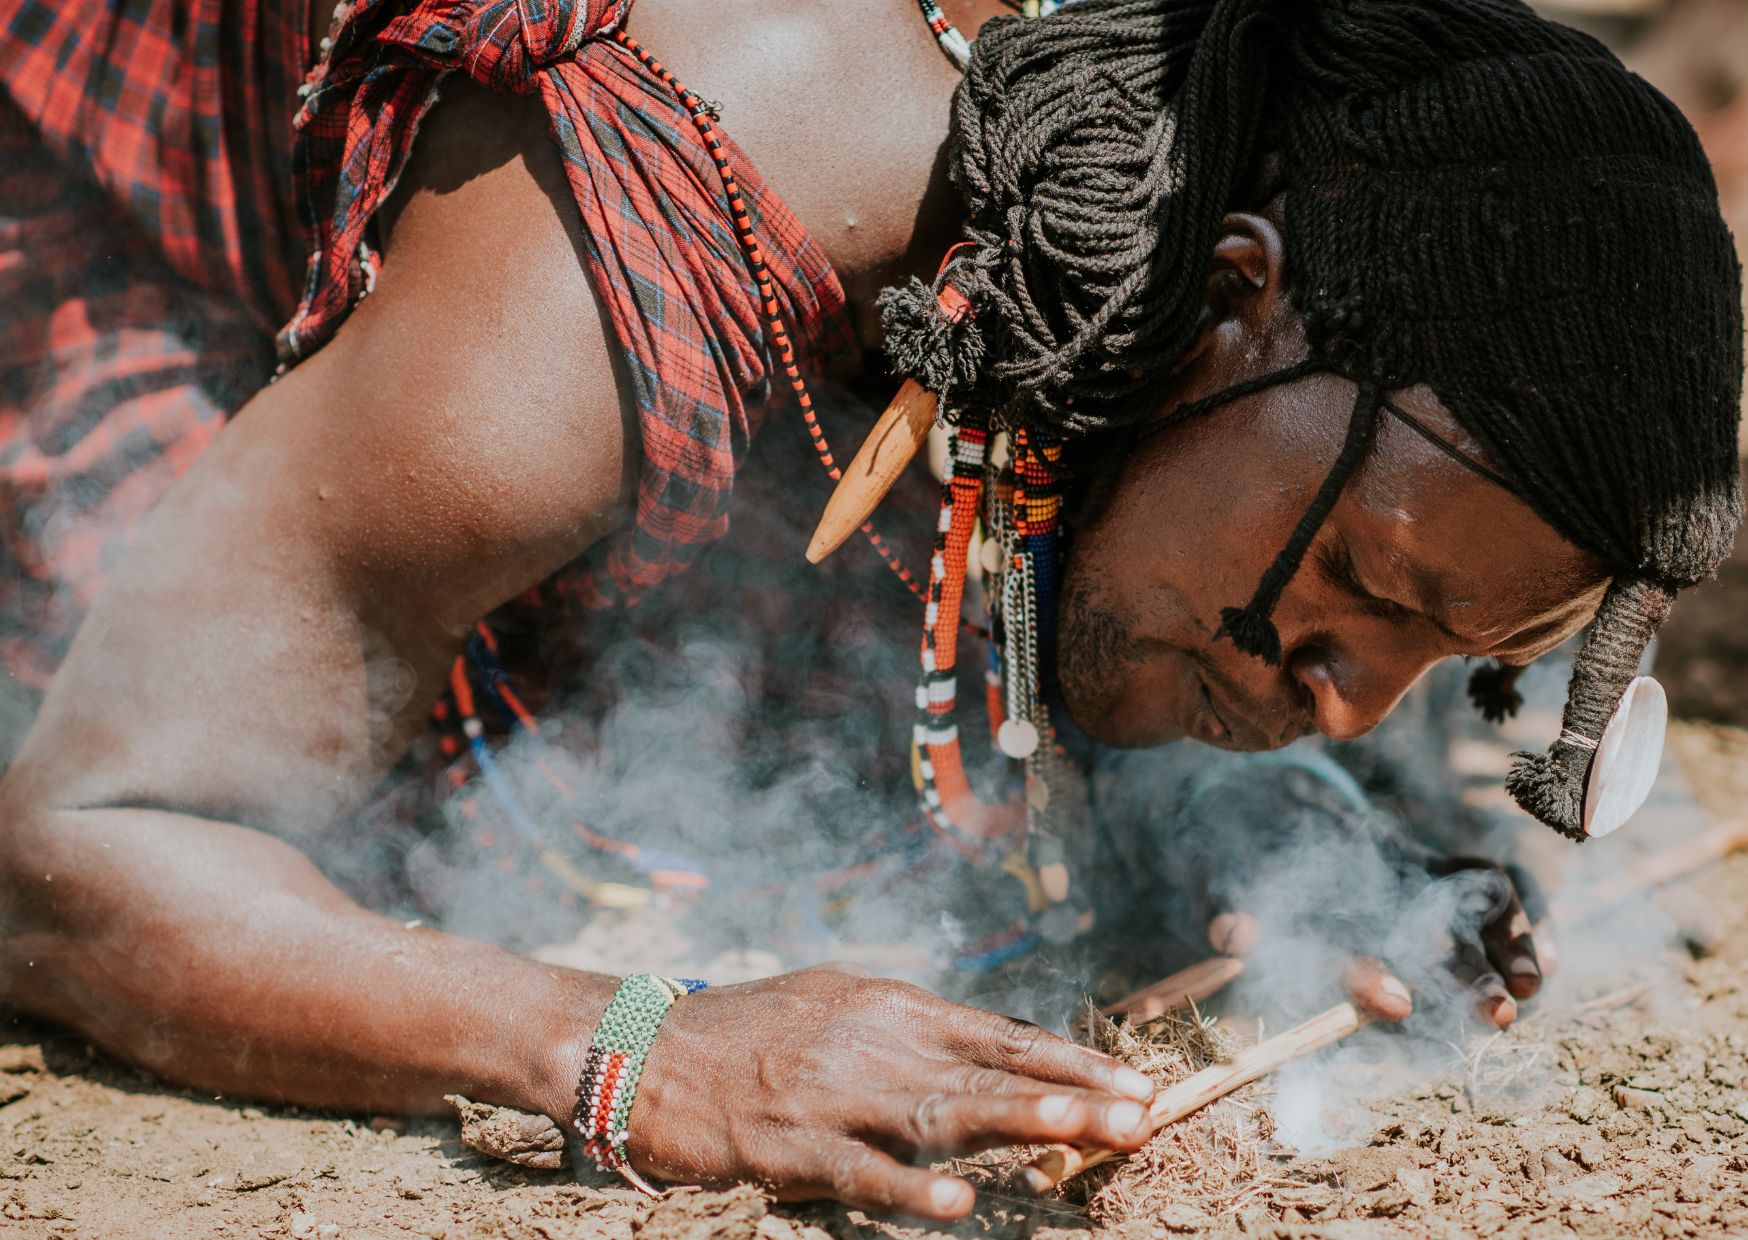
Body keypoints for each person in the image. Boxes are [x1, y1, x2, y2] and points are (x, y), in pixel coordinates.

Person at [0, 0, 1739, 1219]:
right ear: (1231, 298)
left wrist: (1269, 833)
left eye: (1455, 658)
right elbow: (78, 853)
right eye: (1366, 590)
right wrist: (638, 1049)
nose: (1361, 705)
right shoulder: (642, 252)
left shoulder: (1171, 197)